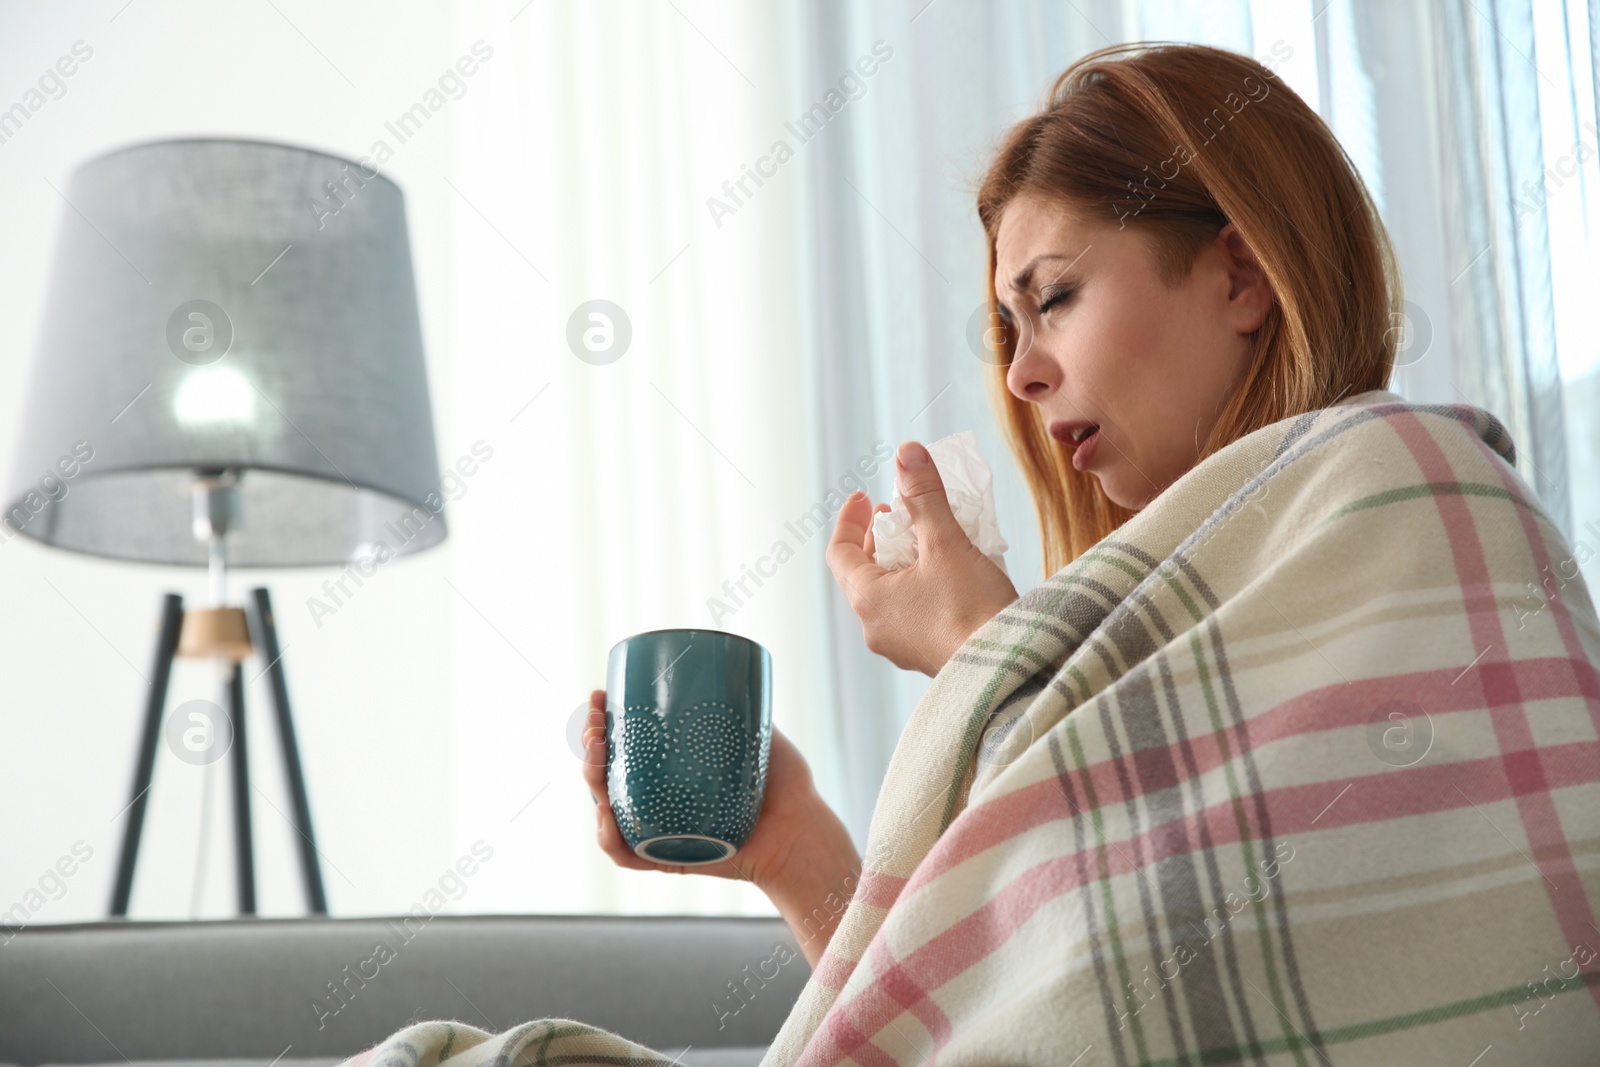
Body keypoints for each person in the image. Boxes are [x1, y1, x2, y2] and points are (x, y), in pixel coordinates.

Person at [347, 39, 1600, 1067]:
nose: (1019, 369)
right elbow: (1039, 999)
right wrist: (795, 850)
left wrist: (976, 649)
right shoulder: (1137, 635)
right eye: (1006, 321)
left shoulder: (1411, 489)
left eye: (1053, 296)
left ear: (1238, 274)